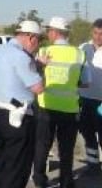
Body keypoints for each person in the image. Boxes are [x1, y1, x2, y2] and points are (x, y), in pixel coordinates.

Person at [0, 20, 45, 188]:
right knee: (16, 170)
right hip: (17, 119)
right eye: (38, 40)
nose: (37, 45)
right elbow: (38, 88)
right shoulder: (22, 57)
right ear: (31, 38)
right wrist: (40, 68)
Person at [32, 17, 87, 188]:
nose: (48, 33)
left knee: (42, 145)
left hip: (46, 106)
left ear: (55, 32)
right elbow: (86, 82)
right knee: (66, 148)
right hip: (69, 109)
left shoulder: (43, 52)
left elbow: (33, 77)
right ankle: (66, 181)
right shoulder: (79, 53)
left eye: (49, 30)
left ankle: (40, 180)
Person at [79, 18, 102, 176]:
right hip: (85, 100)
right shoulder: (82, 48)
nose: (98, 36)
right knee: (87, 133)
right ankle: (93, 166)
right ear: (91, 32)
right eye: (96, 33)